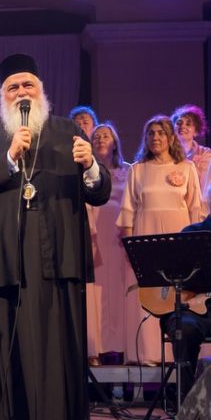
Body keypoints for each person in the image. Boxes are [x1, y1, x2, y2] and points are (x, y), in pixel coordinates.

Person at [0, 53, 111, 420]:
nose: (21, 92)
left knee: (58, 342)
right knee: (7, 339)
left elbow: (100, 192)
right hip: (6, 257)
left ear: (41, 91)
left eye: (28, 85)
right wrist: (9, 157)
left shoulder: (67, 130)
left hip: (58, 255)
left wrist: (91, 166)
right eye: (13, 87)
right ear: (2, 95)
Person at [117, 115, 201, 366]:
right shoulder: (138, 169)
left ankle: (180, 355)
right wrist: (130, 247)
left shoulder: (186, 167)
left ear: (171, 137)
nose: (155, 137)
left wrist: (194, 245)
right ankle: (149, 354)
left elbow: (195, 208)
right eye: (151, 133)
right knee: (150, 292)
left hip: (179, 236)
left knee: (178, 294)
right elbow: (128, 210)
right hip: (147, 235)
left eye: (161, 133)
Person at [160, 177, 211, 404]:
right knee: (183, 328)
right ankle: (186, 405)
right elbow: (170, 276)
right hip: (191, 310)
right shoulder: (192, 234)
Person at [85, 122, 131, 365]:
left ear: (115, 143)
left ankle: (122, 347)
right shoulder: (84, 171)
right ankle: (97, 348)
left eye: (105, 136)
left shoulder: (129, 171)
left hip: (119, 237)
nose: (100, 139)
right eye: (96, 137)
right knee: (96, 293)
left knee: (119, 291)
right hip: (95, 236)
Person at [173, 104, 211, 210]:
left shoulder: (205, 154)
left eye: (188, 124)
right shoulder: (166, 154)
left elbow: (206, 186)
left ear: (196, 131)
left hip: (198, 208)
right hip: (174, 206)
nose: (183, 126)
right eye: (179, 123)